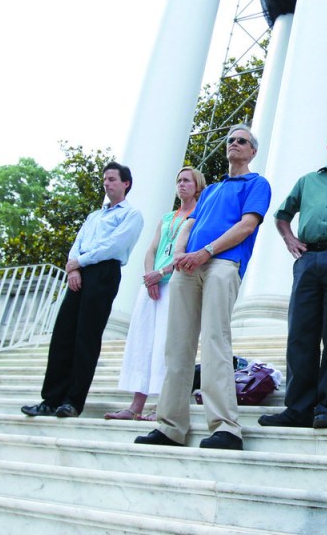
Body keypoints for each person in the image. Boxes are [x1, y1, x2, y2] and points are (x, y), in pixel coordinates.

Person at [134, 124, 271, 451]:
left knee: (215, 341)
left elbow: (247, 225)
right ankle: (170, 426)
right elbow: (189, 224)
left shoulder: (256, 183)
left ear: (252, 151)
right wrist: (181, 253)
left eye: (242, 141)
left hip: (222, 264)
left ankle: (225, 427)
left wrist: (206, 252)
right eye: (231, 140)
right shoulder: (210, 190)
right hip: (188, 267)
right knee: (177, 345)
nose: (234, 144)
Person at [21, 161, 143, 418]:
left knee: (86, 337)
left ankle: (73, 401)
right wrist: (73, 268)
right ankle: (51, 400)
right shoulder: (94, 216)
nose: (107, 183)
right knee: (63, 335)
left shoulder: (131, 215)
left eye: (112, 179)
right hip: (79, 272)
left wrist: (81, 262)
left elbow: (114, 245)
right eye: (105, 179)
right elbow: (78, 243)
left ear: (125, 183)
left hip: (103, 273)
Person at [258, 128, 327, 430]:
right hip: (307, 260)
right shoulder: (308, 181)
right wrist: (290, 239)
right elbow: (282, 214)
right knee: (300, 334)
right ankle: (298, 408)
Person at [105, 167, 206, 421]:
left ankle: (162, 404)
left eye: (187, 181)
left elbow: (188, 251)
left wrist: (161, 273)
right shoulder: (167, 217)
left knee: (166, 343)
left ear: (197, 186)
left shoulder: (200, 215)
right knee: (142, 341)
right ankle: (135, 405)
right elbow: (151, 249)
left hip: (176, 283)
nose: (181, 184)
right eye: (178, 180)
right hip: (152, 286)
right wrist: (150, 275)